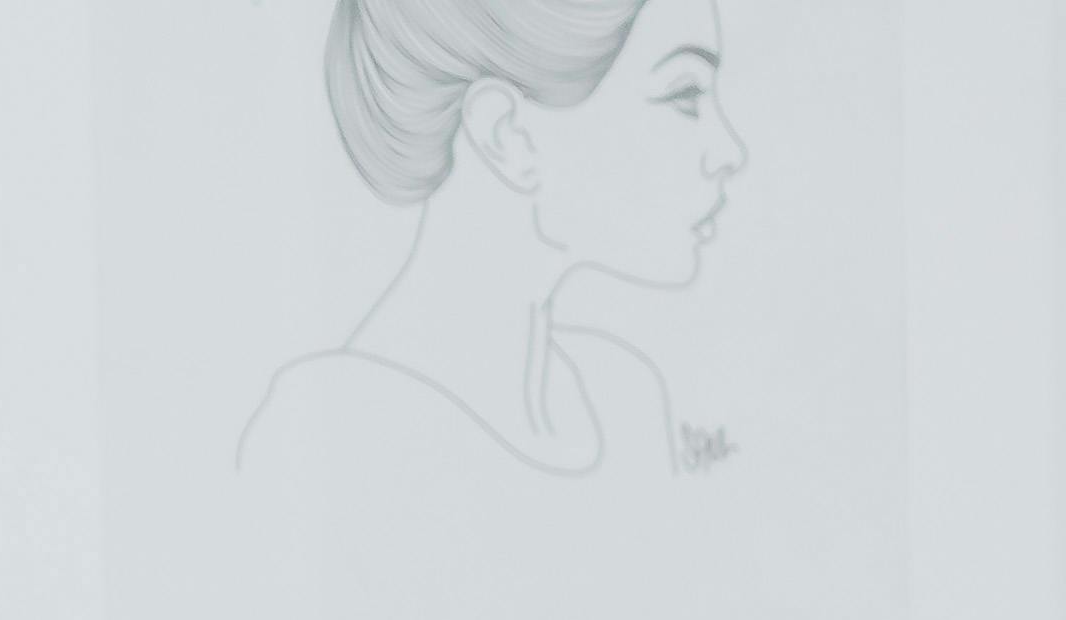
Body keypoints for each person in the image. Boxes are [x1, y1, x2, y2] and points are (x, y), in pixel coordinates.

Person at [247, 0, 752, 486]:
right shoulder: (337, 431)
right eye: (685, 96)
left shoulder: (623, 395)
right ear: (509, 136)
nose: (730, 151)